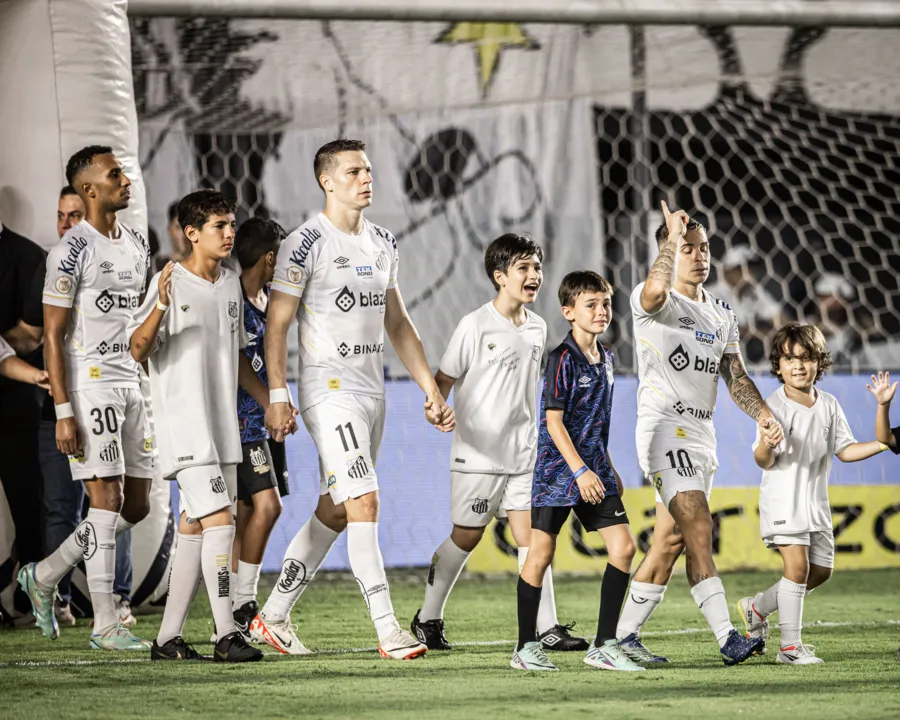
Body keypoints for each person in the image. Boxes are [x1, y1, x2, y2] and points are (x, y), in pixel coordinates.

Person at [251, 138, 453, 660]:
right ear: (327, 181)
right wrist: (278, 394)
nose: (366, 179)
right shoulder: (304, 243)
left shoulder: (383, 241)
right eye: (354, 172)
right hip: (329, 391)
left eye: (368, 170)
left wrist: (431, 389)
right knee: (365, 501)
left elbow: (398, 323)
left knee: (337, 510)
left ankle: (272, 616)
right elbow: (277, 324)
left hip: (371, 392)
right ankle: (389, 630)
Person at [615, 202, 780, 666]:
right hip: (664, 429)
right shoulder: (656, 300)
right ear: (669, 251)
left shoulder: (721, 313)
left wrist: (763, 414)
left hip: (701, 434)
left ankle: (622, 637)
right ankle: (727, 637)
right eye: (688, 248)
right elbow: (654, 289)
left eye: (703, 247)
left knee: (670, 540)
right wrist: (671, 238)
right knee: (699, 524)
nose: (699, 255)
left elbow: (736, 376)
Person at [411, 233, 586, 653]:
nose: (534, 275)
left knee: (534, 538)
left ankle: (547, 627)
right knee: (466, 537)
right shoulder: (474, 325)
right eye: (523, 268)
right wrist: (435, 408)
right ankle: (427, 617)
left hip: (524, 455)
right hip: (477, 456)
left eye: (537, 267)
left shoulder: (539, 327)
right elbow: (443, 380)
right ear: (499, 276)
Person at [129, 189, 282, 662]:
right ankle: (225, 634)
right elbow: (136, 350)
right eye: (220, 226)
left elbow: (237, 356)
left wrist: (272, 402)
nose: (230, 233)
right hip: (185, 429)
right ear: (192, 233)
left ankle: (167, 639)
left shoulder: (231, 283)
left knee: (195, 530)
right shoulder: (169, 280)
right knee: (222, 522)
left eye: (231, 224)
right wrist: (159, 306)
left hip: (222, 430)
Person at [18, 146, 153, 650]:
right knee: (106, 500)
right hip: (90, 384)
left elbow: (136, 320)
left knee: (135, 506)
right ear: (90, 189)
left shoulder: (136, 243)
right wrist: (63, 410)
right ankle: (105, 623)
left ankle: (45, 574)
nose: (126, 179)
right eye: (115, 173)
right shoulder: (70, 251)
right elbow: (52, 336)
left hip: (132, 383)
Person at [511, 271, 641, 672]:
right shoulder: (562, 359)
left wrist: (607, 468)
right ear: (569, 312)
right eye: (591, 305)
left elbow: (596, 423)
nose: (601, 311)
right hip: (558, 471)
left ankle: (604, 645)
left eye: (606, 304)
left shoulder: (608, 358)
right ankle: (525, 648)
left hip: (594, 468)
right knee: (541, 553)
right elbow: (554, 423)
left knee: (624, 548)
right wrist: (581, 471)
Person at [738, 323, 891, 664]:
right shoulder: (771, 407)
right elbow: (763, 460)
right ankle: (789, 648)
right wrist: (767, 443)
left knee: (820, 571)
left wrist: (884, 444)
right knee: (797, 568)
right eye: (789, 359)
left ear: (820, 362)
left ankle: (756, 608)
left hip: (815, 505)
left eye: (806, 358)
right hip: (784, 501)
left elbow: (846, 450)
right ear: (778, 365)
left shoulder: (829, 405)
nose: (798, 366)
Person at [229, 217, 289, 638]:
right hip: (242, 422)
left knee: (248, 511)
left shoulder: (270, 299)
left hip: (264, 420)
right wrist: (271, 402)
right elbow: (235, 362)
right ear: (270, 258)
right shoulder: (231, 299)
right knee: (269, 506)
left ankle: (234, 605)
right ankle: (244, 603)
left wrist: (281, 401)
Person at [0, 218, 46, 619]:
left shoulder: (29, 256)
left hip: (15, 411)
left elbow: (17, 348)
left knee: (31, 509)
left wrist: (37, 377)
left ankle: (32, 596)